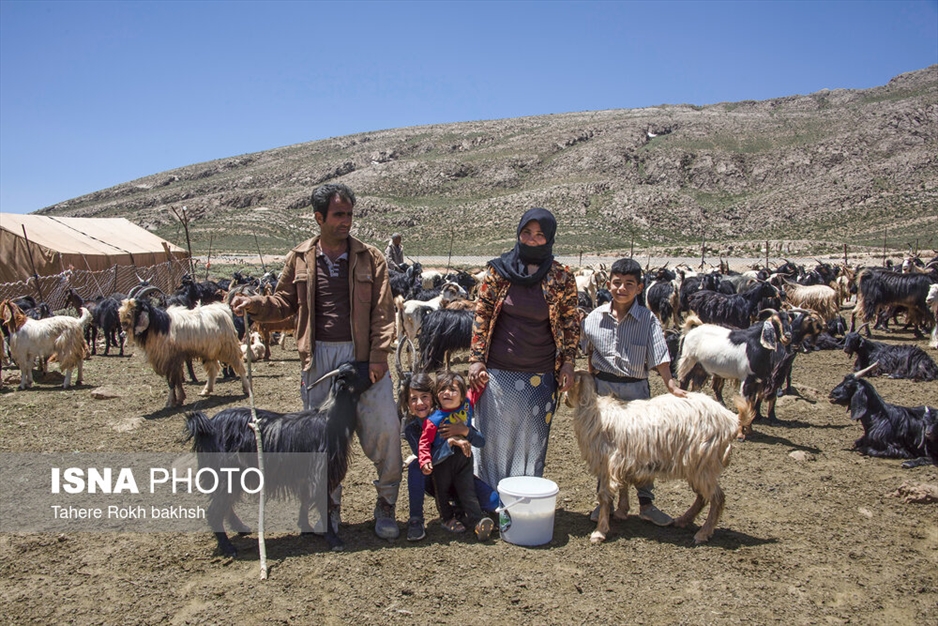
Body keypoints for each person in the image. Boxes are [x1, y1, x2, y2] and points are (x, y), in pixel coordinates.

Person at [230, 183, 402, 540]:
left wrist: (379, 355)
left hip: (362, 356)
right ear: (319, 217)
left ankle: (386, 504)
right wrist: (257, 305)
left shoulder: (371, 257)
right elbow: (283, 303)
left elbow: (383, 311)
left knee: (384, 431)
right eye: (339, 215)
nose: (347, 221)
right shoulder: (299, 258)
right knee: (323, 441)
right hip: (319, 358)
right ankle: (329, 508)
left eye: (350, 214)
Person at [468, 207, 580, 489]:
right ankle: (490, 497)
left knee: (532, 437)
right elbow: (481, 315)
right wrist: (476, 360)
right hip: (497, 371)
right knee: (494, 436)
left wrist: (568, 362)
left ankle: (523, 494)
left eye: (540, 235)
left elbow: (570, 322)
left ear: (550, 238)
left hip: (540, 374)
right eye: (526, 232)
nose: (532, 239)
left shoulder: (561, 276)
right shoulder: (498, 271)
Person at [580, 257, 688, 527]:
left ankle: (646, 503)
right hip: (603, 392)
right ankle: (605, 501)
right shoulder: (595, 318)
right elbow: (587, 349)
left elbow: (659, 354)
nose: (622, 289)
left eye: (629, 284)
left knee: (643, 446)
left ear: (640, 288)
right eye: (617, 283)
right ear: (608, 284)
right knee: (604, 448)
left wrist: (670, 383)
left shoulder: (647, 319)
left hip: (635, 389)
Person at [399, 373, 499, 541]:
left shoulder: (451, 414)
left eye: (425, 397)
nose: (420, 403)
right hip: (436, 477)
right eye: (413, 399)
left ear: (433, 396)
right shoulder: (414, 428)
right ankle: (417, 520)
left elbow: (480, 441)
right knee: (416, 466)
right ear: (407, 404)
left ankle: (475, 517)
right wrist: (451, 442)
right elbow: (426, 453)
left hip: (461, 472)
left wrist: (464, 431)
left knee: (493, 500)